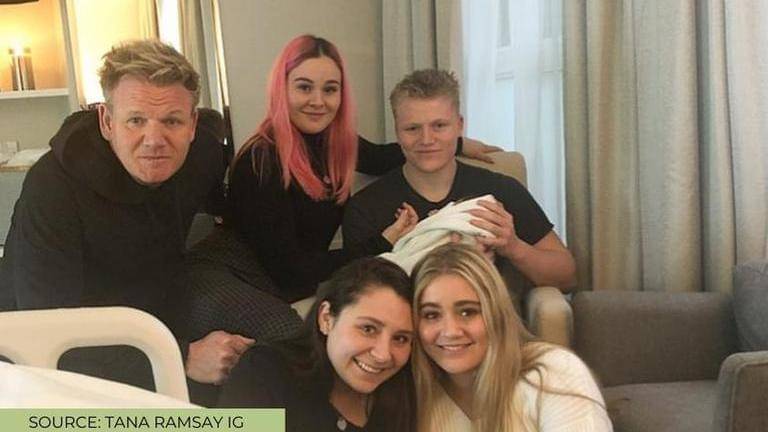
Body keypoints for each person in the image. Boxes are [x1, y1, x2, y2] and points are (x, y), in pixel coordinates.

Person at [185, 35, 497, 341]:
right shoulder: (261, 159)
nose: (318, 101)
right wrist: (381, 243)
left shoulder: (336, 142)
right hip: (225, 273)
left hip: (278, 277)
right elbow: (290, 271)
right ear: (282, 89)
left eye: (330, 89)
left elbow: (382, 156)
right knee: (298, 341)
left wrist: (453, 142)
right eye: (304, 87)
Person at [0, 39, 252, 392]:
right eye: (135, 120)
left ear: (192, 124)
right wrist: (182, 357)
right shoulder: (52, 187)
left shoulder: (201, 157)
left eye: (172, 120)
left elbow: (215, 138)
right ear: (107, 121)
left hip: (154, 333)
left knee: (265, 397)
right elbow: (47, 334)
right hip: (44, 367)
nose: (154, 139)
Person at [343, 69, 576, 292]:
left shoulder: (501, 191)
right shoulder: (366, 207)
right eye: (412, 128)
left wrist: (513, 247)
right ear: (397, 131)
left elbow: (567, 277)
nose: (427, 139)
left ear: (459, 126)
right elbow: (355, 297)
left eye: (439, 126)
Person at [411, 243, 612, 431]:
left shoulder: (555, 371)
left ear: (497, 313)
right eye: (431, 315)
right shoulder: (413, 394)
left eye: (468, 312)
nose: (451, 331)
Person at [218, 257, 416, 432]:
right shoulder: (266, 370)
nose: (383, 355)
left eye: (400, 338)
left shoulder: (404, 398)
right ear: (326, 318)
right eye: (368, 329)